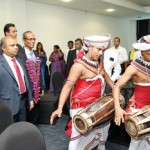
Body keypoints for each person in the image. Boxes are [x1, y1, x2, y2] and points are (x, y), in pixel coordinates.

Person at [50, 34, 114, 150]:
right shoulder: (78, 66)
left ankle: (100, 146)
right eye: (98, 49)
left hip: (96, 107)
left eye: (102, 50)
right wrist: (59, 107)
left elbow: (111, 83)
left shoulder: (100, 64)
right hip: (80, 109)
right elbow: (67, 86)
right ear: (89, 47)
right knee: (77, 140)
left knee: (102, 129)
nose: (101, 53)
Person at [113, 35, 150, 150]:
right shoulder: (133, 68)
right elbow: (117, 86)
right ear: (142, 52)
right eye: (149, 53)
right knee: (136, 142)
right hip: (139, 109)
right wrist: (118, 108)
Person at [0, 36, 34, 122]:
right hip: (7, 105)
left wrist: (30, 98)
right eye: (12, 45)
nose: (16, 47)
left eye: (16, 45)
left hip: (22, 102)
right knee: (8, 132)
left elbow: (26, 81)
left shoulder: (20, 61)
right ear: (3, 47)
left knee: (20, 130)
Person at [17, 31, 44, 124]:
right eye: (30, 39)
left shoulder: (35, 53)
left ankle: (33, 130)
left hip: (36, 88)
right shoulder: (19, 54)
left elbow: (38, 71)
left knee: (35, 112)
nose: (33, 41)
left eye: (34, 39)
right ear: (24, 40)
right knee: (27, 114)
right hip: (27, 89)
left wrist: (41, 86)